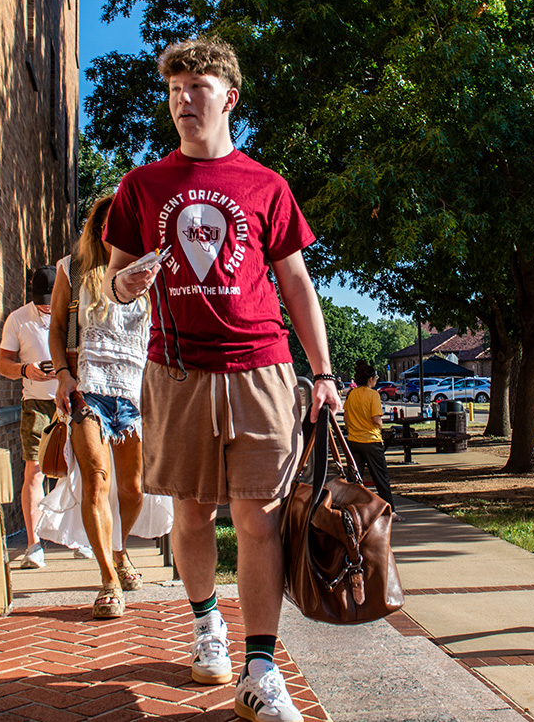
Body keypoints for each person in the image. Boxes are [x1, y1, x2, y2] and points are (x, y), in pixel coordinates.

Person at [103, 37, 339, 722]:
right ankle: (206, 620)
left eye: (196, 87)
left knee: (259, 518)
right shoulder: (141, 187)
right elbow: (115, 283)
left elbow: (297, 283)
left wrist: (321, 372)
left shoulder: (267, 185)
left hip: (263, 368)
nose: (183, 100)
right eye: (175, 89)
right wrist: (129, 281)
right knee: (191, 511)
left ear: (228, 97)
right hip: (176, 374)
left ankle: (259, 668)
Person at [48, 195, 151, 618]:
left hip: (135, 394)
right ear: (98, 229)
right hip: (86, 390)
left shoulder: (148, 275)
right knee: (97, 479)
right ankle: (108, 579)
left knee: (133, 488)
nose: (117, 235)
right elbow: (56, 326)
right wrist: (62, 374)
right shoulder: (72, 269)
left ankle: (121, 547)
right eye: (110, 227)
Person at [0, 266, 93, 567]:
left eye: (51, 300)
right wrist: (26, 370)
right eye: (41, 301)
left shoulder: (75, 317)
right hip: (37, 404)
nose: (47, 306)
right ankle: (34, 544)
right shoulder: (18, 319)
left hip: (74, 400)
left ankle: (80, 538)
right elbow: (3, 363)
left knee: (81, 470)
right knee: (35, 472)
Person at [344, 360, 403, 522]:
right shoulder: (373, 395)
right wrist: (381, 425)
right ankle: (389, 511)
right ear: (370, 379)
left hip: (354, 440)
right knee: (380, 478)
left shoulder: (352, 394)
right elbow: (376, 419)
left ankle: (351, 511)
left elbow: (347, 418)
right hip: (371, 440)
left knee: (354, 479)